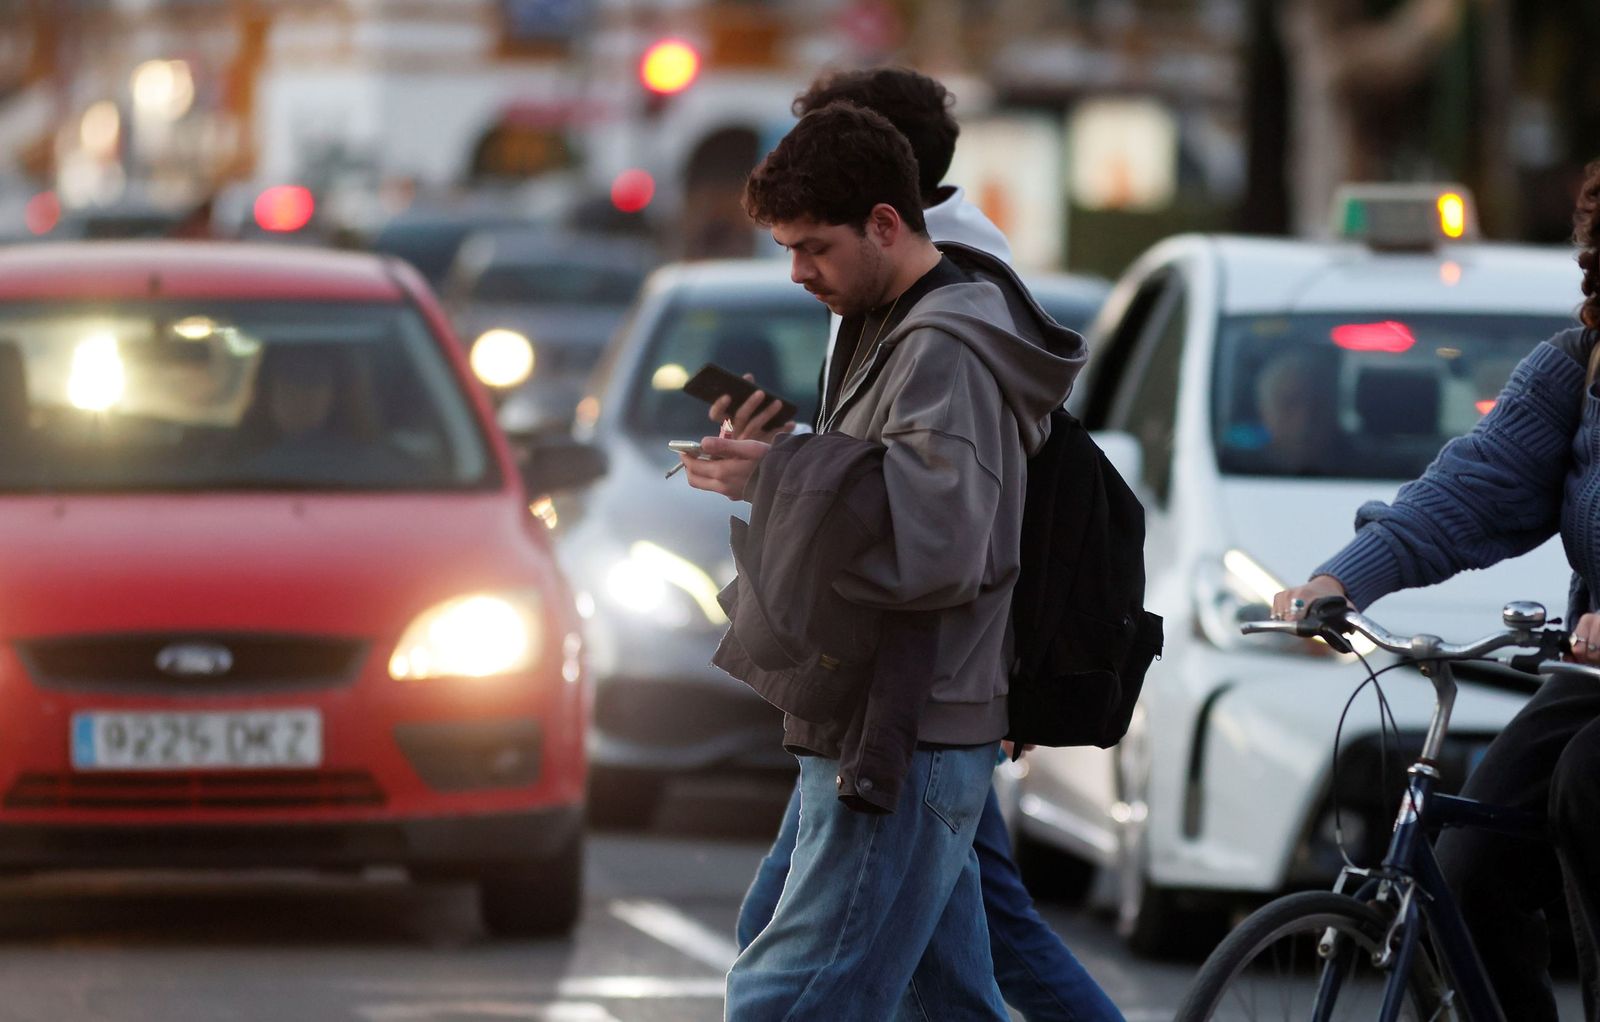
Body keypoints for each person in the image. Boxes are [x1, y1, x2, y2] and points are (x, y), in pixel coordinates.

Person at [702, 66, 1122, 1022]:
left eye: (813, 247)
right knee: (948, 997)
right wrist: (783, 461)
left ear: (888, 221)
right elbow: (886, 485)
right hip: (889, 706)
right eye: (786, 248)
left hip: (912, 712)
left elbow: (937, 544)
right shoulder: (896, 317)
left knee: (786, 992)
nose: (798, 272)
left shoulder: (944, 342)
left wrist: (773, 474)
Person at [1273, 160, 1600, 1021]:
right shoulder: (1577, 369)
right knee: (1468, 857)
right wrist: (1341, 582)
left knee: (1589, 783)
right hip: (1592, 676)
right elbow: (1470, 489)